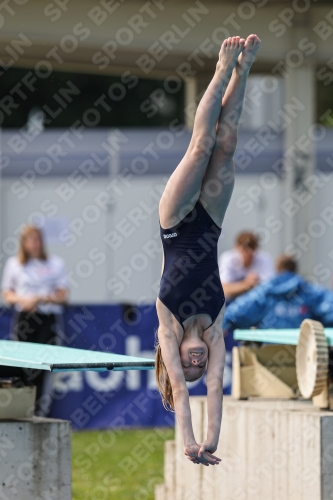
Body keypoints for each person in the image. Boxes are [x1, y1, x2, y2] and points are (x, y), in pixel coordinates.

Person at [155, 35, 261, 467]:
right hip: (212, 224)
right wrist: (211, 441)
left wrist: (189, 441)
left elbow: (183, 391)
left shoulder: (168, 329)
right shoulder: (216, 329)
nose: (197, 364)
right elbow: (214, 387)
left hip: (177, 223)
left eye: (189, 365)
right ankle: (244, 71)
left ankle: (220, 68)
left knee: (201, 146)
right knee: (228, 142)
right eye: (201, 365)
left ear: (175, 358)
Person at [1, 225, 68, 415]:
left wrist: (41, 298)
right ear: (24, 243)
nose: (35, 244)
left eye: (37, 239)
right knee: (22, 364)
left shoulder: (55, 264)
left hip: (47, 318)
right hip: (25, 318)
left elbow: (63, 294)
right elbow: (7, 293)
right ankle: (22, 409)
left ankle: (39, 411)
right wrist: (24, 300)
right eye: (30, 240)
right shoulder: (15, 264)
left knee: (43, 366)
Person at [222, 254, 333, 331]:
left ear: (277, 269)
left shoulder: (264, 291)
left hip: (268, 355)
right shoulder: (309, 290)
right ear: (295, 269)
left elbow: (233, 315)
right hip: (304, 355)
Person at [219, 231, 274, 301]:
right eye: (245, 249)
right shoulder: (227, 258)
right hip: (231, 303)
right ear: (237, 247)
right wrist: (247, 284)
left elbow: (270, 287)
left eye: (252, 249)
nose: (249, 253)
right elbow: (225, 290)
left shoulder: (265, 258)